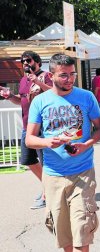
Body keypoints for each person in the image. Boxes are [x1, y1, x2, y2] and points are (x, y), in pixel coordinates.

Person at [25, 53, 100, 251]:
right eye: (63, 75)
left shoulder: (86, 97)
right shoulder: (40, 101)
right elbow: (30, 139)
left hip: (82, 174)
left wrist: (87, 144)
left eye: (72, 74)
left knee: (81, 235)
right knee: (65, 239)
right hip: (53, 176)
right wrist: (47, 142)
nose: (69, 79)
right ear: (51, 76)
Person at [0, 50, 52, 209]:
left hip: (43, 126)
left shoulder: (46, 76)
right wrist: (9, 96)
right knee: (27, 160)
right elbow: (21, 100)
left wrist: (37, 80)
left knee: (45, 162)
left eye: (28, 60)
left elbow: (54, 92)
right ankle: (49, 188)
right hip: (27, 126)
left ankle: (47, 194)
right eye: (23, 61)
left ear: (37, 62)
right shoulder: (23, 80)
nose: (25, 63)